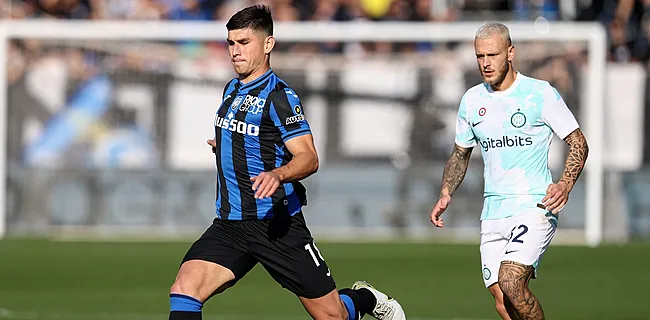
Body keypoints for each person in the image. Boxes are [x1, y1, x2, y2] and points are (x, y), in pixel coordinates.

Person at [168, 5, 406, 320]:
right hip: (231, 223)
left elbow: (308, 157)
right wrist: (225, 145)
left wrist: (278, 174)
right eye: (231, 43)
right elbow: (249, 139)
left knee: (331, 315)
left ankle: (363, 299)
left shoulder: (280, 97)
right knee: (184, 290)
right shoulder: (231, 90)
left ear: (268, 45)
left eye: (244, 43)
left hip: (276, 225)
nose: (235, 52)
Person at [429, 22, 589, 320]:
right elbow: (461, 153)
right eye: (480, 56)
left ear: (510, 52)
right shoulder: (472, 101)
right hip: (492, 212)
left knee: (511, 281)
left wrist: (565, 184)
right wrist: (446, 191)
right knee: (504, 301)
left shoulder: (539, 94)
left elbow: (578, 142)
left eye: (493, 54)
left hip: (534, 206)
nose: (486, 63)